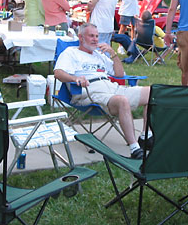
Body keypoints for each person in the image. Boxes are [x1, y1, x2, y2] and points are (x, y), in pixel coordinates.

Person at [54, 23, 150, 159]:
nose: (95, 39)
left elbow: (119, 74)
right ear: (81, 37)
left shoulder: (100, 55)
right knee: (122, 101)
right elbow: (58, 73)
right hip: (89, 91)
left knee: (153, 93)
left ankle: (146, 136)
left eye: (97, 36)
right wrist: (75, 78)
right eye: (91, 36)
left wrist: (113, 53)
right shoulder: (71, 53)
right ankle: (134, 148)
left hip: (112, 88)